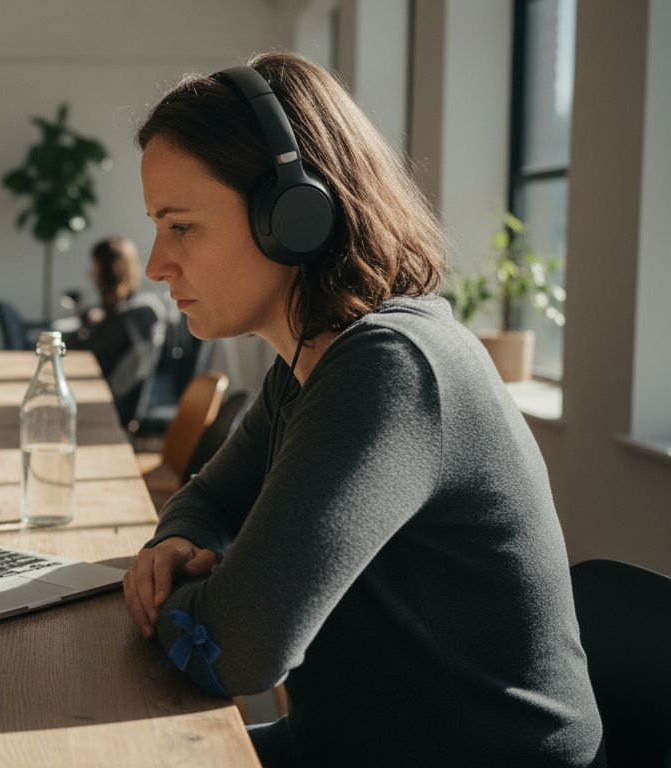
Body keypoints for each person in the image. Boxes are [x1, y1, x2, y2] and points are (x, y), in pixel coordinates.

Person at [123, 52, 603, 767]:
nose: (157, 263)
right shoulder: (311, 361)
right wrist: (173, 549)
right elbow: (208, 497)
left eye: (181, 226)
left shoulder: (388, 367)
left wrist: (169, 597)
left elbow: (237, 653)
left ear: (292, 215)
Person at [77, 237, 167, 426]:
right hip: (126, 397)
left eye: (95, 266)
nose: (91, 273)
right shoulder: (138, 308)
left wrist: (88, 323)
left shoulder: (130, 318)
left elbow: (91, 354)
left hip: (113, 405)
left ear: (106, 270)